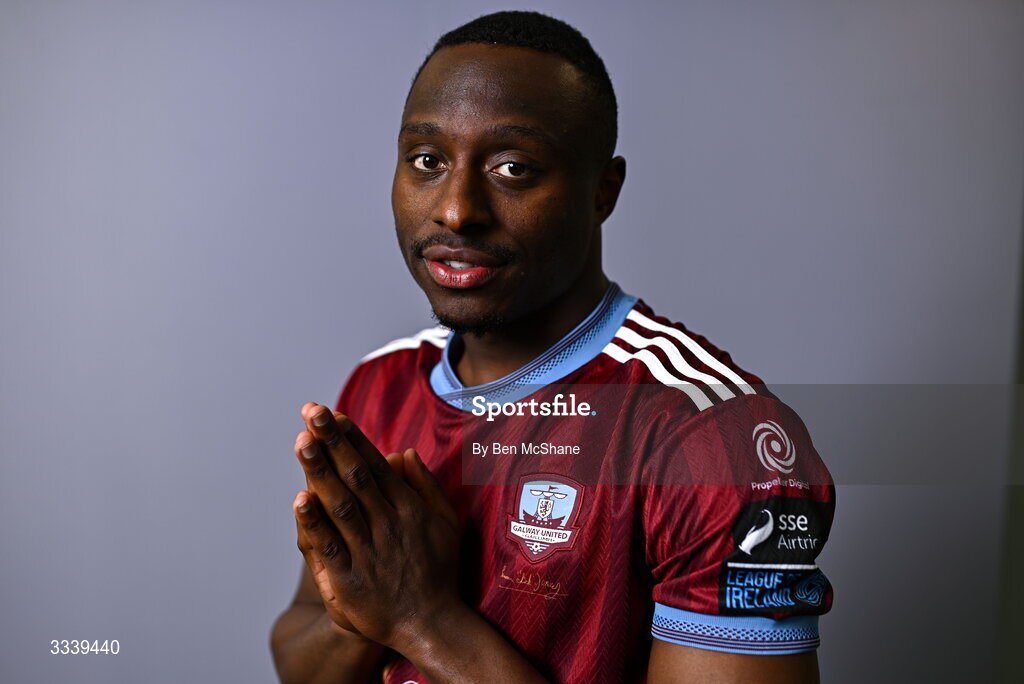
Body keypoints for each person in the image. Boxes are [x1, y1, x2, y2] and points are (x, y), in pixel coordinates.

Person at [270, 10, 834, 683]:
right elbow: (299, 662)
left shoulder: (718, 439)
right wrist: (364, 609)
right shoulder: (381, 384)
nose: (455, 210)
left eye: (513, 168)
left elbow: (403, 614)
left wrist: (422, 619)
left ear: (603, 190)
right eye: (427, 160)